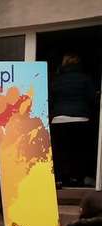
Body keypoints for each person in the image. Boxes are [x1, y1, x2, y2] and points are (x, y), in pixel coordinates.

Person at [49, 52, 98, 187]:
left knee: (60, 152)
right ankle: (77, 179)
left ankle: (59, 179)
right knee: (79, 151)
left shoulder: (56, 80)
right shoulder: (85, 79)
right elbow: (92, 98)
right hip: (80, 118)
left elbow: (50, 100)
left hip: (59, 119)